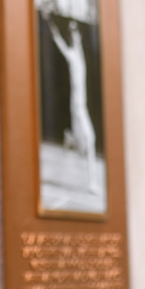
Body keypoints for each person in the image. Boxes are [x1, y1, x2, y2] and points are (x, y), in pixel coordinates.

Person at [48, 16, 98, 192]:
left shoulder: (80, 54)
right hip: (78, 108)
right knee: (90, 141)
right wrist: (53, 26)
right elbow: (59, 42)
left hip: (79, 107)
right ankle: (91, 184)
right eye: (73, 36)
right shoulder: (71, 56)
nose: (76, 38)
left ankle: (70, 139)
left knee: (84, 148)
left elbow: (77, 39)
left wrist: (73, 28)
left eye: (77, 36)